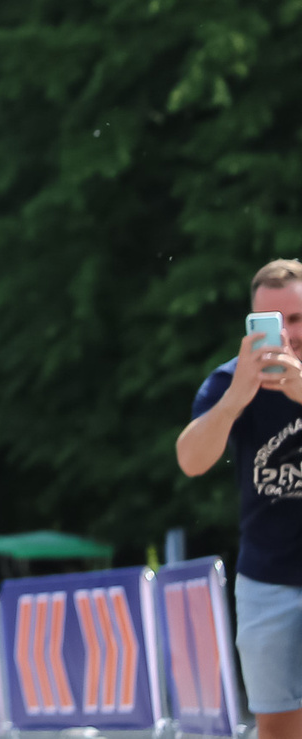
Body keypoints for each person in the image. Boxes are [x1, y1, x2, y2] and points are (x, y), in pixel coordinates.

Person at [180, 257, 302, 739]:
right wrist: (235, 399)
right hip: (267, 576)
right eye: (271, 323)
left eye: (296, 319)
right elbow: (190, 459)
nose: (287, 335)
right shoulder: (232, 380)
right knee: (276, 728)